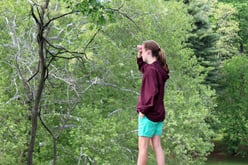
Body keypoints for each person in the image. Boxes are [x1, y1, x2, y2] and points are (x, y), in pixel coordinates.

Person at [136, 40, 169, 165]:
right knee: (157, 145)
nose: (142, 54)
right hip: (158, 114)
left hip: (148, 115)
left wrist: (143, 110)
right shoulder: (158, 69)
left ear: (149, 52)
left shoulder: (151, 71)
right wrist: (139, 55)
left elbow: (151, 92)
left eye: (143, 51)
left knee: (143, 148)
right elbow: (142, 67)